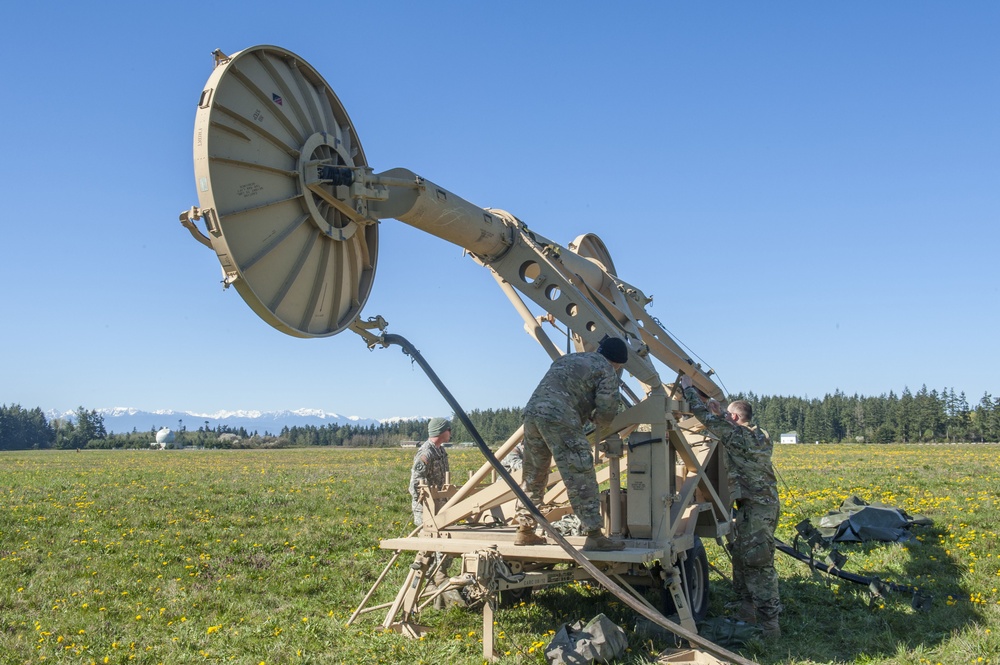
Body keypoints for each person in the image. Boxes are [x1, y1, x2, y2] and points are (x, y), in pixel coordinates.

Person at [680, 375, 781, 639]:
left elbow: (707, 419)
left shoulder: (739, 437)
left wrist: (689, 391)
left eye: (728, 415)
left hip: (758, 508)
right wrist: (722, 411)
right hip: (754, 506)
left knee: (758, 563)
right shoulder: (755, 435)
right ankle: (746, 609)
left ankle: (770, 626)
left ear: (735, 419)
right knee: (740, 556)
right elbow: (724, 422)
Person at [514, 337, 629, 552]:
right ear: (618, 363)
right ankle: (594, 534)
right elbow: (607, 410)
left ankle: (525, 530)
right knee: (580, 473)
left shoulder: (569, 359)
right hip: (561, 416)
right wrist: (598, 419)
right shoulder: (607, 370)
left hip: (532, 413)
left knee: (533, 474)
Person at [409, 417, 452, 526]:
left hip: (441, 506)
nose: (450, 433)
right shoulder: (426, 453)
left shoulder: (441, 451)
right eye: (449, 429)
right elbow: (415, 483)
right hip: (427, 509)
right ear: (440, 431)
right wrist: (426, 504)